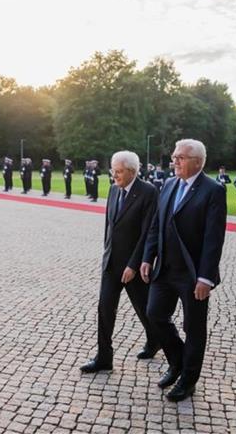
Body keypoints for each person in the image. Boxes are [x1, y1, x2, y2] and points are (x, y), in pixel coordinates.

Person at [140, 138, 226, 402]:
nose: (174, 161)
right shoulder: (167, 184)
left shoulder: (213, 190)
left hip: (192, 274)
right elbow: (157, 224)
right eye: (174, 156)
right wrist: (147, 257)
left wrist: (205, 277)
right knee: (154, 315)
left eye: (181, 157)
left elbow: (214, 238)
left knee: (194, 328)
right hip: (164, 269)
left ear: (197, 162)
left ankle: (188, 380)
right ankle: (177, 361)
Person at [81, 151, 160, 374]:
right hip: (111, 263)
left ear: (132, 172)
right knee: (105, 308)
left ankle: (154, 339)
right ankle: (104, 358)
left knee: (144, 309)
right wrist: (106, 255)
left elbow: (147, 233)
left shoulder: (148, 192)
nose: (114, 175)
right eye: (112, 170)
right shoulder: (113, 189)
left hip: (132, 266)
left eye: (119, 171)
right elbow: (110, 226)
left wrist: (134, 265)